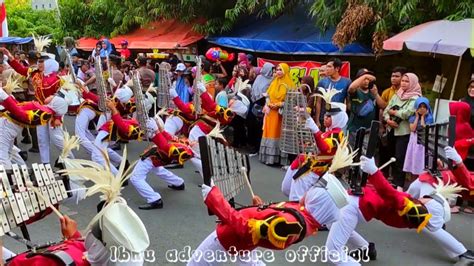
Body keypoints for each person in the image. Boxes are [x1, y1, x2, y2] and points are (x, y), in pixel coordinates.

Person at [326, 156, 474, 266]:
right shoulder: (412, 204)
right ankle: (365, 248)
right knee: (331, 221)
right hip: (358, 200)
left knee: (333, 252)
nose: (426, 197)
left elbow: (388, 193)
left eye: (428, 198)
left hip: (357, 206)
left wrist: (374, 171)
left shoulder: (407, 206)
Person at [130, 128, 194, 210]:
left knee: (135, 178)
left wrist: (155, 130)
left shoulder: (182, 148)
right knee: (158, 169)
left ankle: (154, 199)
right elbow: (168, 138)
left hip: (154, 157)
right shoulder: (186, 146)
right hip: (160, 158)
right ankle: (178, 183)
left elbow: (165, 145)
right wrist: (157, 127)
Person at [383, 73, 421, 190]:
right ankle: (391, 181)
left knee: (400, 158)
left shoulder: (416, 98)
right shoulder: (397, 94)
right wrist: (388, 119)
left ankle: (399, 184)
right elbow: (386, 110)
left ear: (413, 83)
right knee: (391, 155)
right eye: (403, 81)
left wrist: (394, 113)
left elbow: (407, 112)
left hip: (404, 132)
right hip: (391, 130)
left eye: (407, 81)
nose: (403, 83)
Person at [259, 63, 294, 165]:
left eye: (280, 70)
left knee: (278, 134)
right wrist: (269, 103)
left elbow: (291, 100)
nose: (278, 71)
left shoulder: (290, 84)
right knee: (269, 133)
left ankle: (278, 159)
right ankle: (268, 158)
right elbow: (268, 95)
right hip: (270, 113)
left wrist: (279, 104)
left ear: (286, 71)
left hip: (281, 114)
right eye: (277, 69)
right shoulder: (274, 82)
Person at [379, 66, 407, 178]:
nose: (393, 78)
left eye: (397, 76)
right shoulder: (387, 92)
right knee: (385, 153)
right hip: (388, 127)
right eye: (392, 76)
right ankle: (383, 177)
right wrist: (382, 125)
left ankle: (396, 179)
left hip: (402, 130)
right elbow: (382, 109)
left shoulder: (408, 93)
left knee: (398, 155)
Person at [347, 69, 386, 140]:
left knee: (366, 150)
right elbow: (351, 88)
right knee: (353, 150)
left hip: (369, 129)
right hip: (354, 129)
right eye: (364, 79)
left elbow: (383, 106)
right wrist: (365, 75)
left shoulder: (373, 91)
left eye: (368, 79)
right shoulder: (356, 91)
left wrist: (376, 94)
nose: (366, 81)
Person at [315, 58, 351, 128]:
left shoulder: (347, 82)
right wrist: (317, 120)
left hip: (339, 119)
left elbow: (348, 102)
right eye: (326, 66)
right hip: (324, 118)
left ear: (337, 68)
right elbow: (318, 102)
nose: (327, 69)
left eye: (329, 66)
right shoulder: (322, 82)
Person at [247, 62, 274, 154]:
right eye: (272, 70)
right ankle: (251, 144)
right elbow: (254, 89)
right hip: (253, 102)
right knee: (251, 124)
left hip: (263, 105)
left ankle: (257, 147)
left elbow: (268, 93)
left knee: (259, 127)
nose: (273, 72)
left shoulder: (272, 80)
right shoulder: (258, 77)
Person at [403, 97, 433, 176]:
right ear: (416, 107)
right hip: (414, 142)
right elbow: (412, 129)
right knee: (414, 159)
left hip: (423, 143)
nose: (422, 109)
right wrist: (417, 117)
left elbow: (425, 128)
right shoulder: (412, 117)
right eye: (420, 107)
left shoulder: (429, 117)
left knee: (422, 160)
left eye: (424, 107)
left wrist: (423, 117)